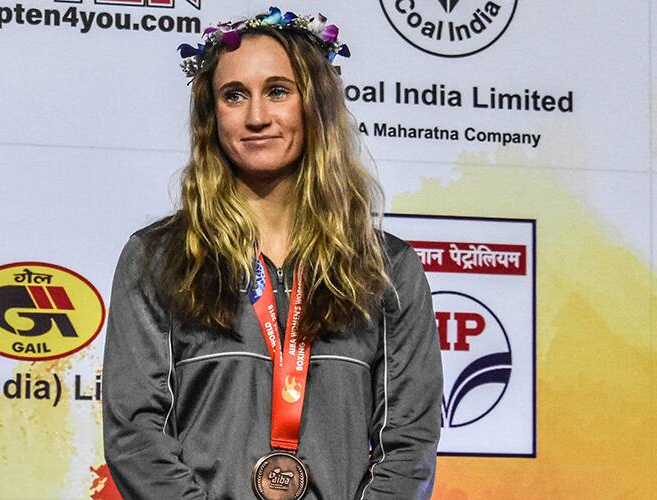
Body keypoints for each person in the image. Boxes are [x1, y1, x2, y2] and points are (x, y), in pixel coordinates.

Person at [102, 7, 442, 499]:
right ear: (211, 116)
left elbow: (408, 444)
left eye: (278, 91)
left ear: (315, 105)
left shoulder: (385, 268)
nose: (257, 116)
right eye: (234, 95)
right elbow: (136, 436)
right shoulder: (158, 259)